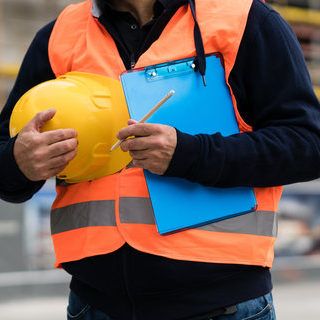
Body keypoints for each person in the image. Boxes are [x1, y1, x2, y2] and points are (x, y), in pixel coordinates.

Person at [1, 0, 320, 319]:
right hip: (94, 304)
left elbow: (308, 145)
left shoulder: (245, 19)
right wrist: (19, 162)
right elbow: (6, 162)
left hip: (221, 306)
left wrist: (191, 154)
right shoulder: (60, 34)